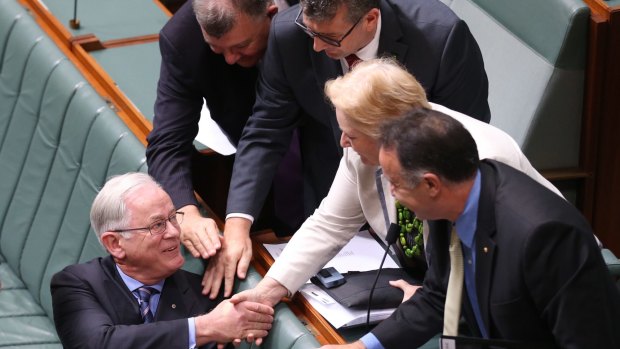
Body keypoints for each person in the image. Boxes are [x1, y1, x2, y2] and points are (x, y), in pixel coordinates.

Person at [229, 58, 562, 320]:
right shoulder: (362, 150)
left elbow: (501, 277)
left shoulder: (476, 160)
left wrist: (437, 299)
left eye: (352, 134)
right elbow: (330, 222)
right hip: (431, 289)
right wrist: (269, 290)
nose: (343, 142)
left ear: (388, 132)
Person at [208, 0, 491, 298]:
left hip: (441, 222)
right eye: (309, 31)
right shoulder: (291, 34)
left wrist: (436, 290)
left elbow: (460, 162)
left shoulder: (440, 37)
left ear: (370, 19)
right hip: (339, 185)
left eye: (330, 38)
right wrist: (262, 285)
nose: (316, 46)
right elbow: (267, 130)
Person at [339, 109, 620, 349]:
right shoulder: (449, 201)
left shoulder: (544, 236)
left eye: (395, 184)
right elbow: (439, 296)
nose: (393, 194)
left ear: (431, 185)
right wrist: (364, 346)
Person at [146, 0, 302, 268]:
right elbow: (167, 142)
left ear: (272, 13)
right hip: (269, 172)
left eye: (240, 46)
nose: (230, 59)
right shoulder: (183, 38)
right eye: (216, 48)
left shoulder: (315, 14)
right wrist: (185, 213)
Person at [50, 173, 273, 349]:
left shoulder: (205, 297)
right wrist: (203, 328)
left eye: (173, 218)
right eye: (157, 225)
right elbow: (98, 344)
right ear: (115, 244)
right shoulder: (77, 284)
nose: (175, 233)